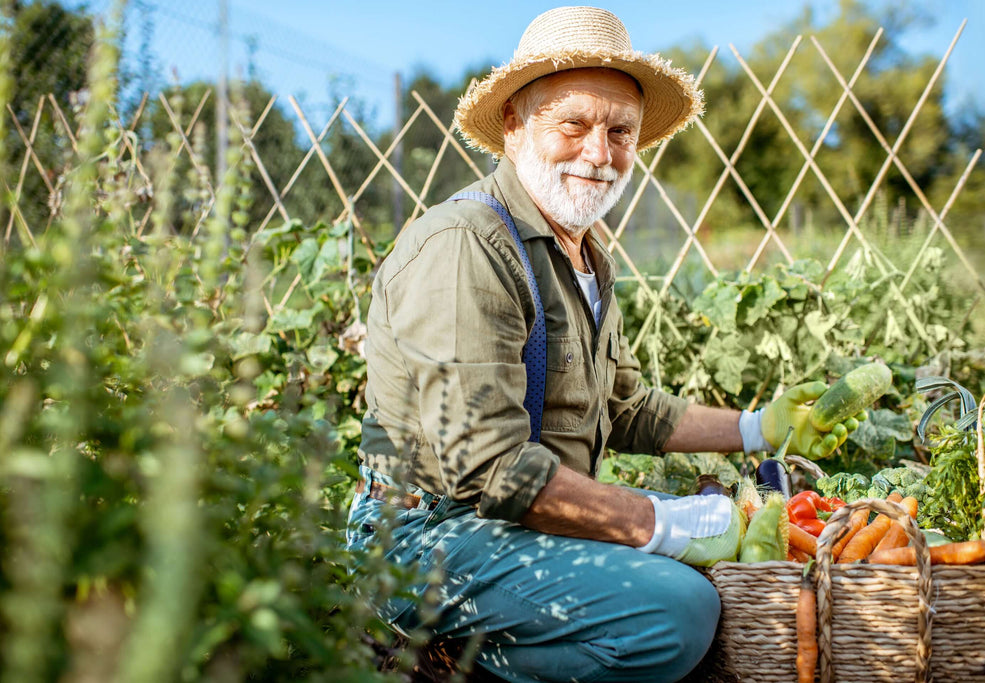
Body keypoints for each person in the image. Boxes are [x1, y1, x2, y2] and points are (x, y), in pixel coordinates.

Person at [347, 6, 857, 682]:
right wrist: (659, 521)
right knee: (676, 611)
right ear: (513, 124)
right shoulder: (468, 246)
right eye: (574, 124)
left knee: (687, 604)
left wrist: (758, 427)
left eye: (620, 131)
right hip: (426, 538)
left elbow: (625, 405)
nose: (599, 152)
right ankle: (443, 666)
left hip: (510, 531)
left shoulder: (582, 258)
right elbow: (489, 468)